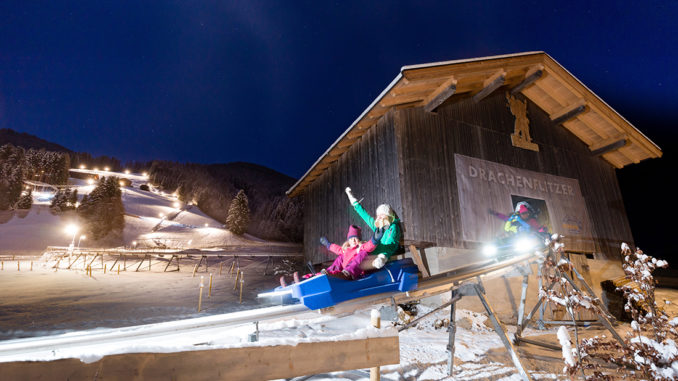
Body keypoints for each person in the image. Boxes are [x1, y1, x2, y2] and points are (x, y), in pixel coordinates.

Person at [345, 187, 402, 270]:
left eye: (382, 215)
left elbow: (390, 246)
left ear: (388, 217)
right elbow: (365, 216)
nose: (379, 218)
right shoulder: (378, 226)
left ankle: (351, 271)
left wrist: (382, 257)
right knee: (360, 253)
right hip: (373, 253)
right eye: (378, 216)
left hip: (381, 257)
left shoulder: (392, 228)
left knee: (363, 259)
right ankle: (346, 269)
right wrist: (352, 199)